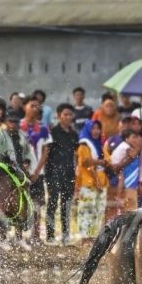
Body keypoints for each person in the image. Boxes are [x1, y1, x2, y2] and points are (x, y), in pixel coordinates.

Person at [46, 103, 79, 244]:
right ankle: (50, 235)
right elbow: (47, 154)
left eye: (70, 115)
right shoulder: (52, 132)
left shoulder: (74, 134)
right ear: (59, 116)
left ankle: (66, 235)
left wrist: (76, 172)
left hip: (69, 173)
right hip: (53, 172)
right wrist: (48, 173)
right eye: (65, 114)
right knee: (52, 204)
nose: (68, 117)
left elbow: (76, 155)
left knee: (66, 204)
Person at [21, 99, 52, 242]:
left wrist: (37, 171)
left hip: (39, 173)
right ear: (24, 107)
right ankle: (19, 235)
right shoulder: (19, 126)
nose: (35, 108)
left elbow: (46, 151)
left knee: (38, 204)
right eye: (32, 105)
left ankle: (36, 236)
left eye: (37, 106)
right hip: (21, 172)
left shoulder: (44, 128)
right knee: (21, 203)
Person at [75, 120, 110, 241]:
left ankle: (93, 238)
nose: (96, 131)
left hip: (102, 181)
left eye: (98, 128)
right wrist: (99, 163)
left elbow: (107, 160)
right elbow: (86, 162)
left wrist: (102, 163)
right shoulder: (84, 145)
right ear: (88, 129)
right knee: (86, 211)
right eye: (93, 128)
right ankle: (85, 238)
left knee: (98, 211)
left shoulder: (100, 144)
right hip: (89, 182)